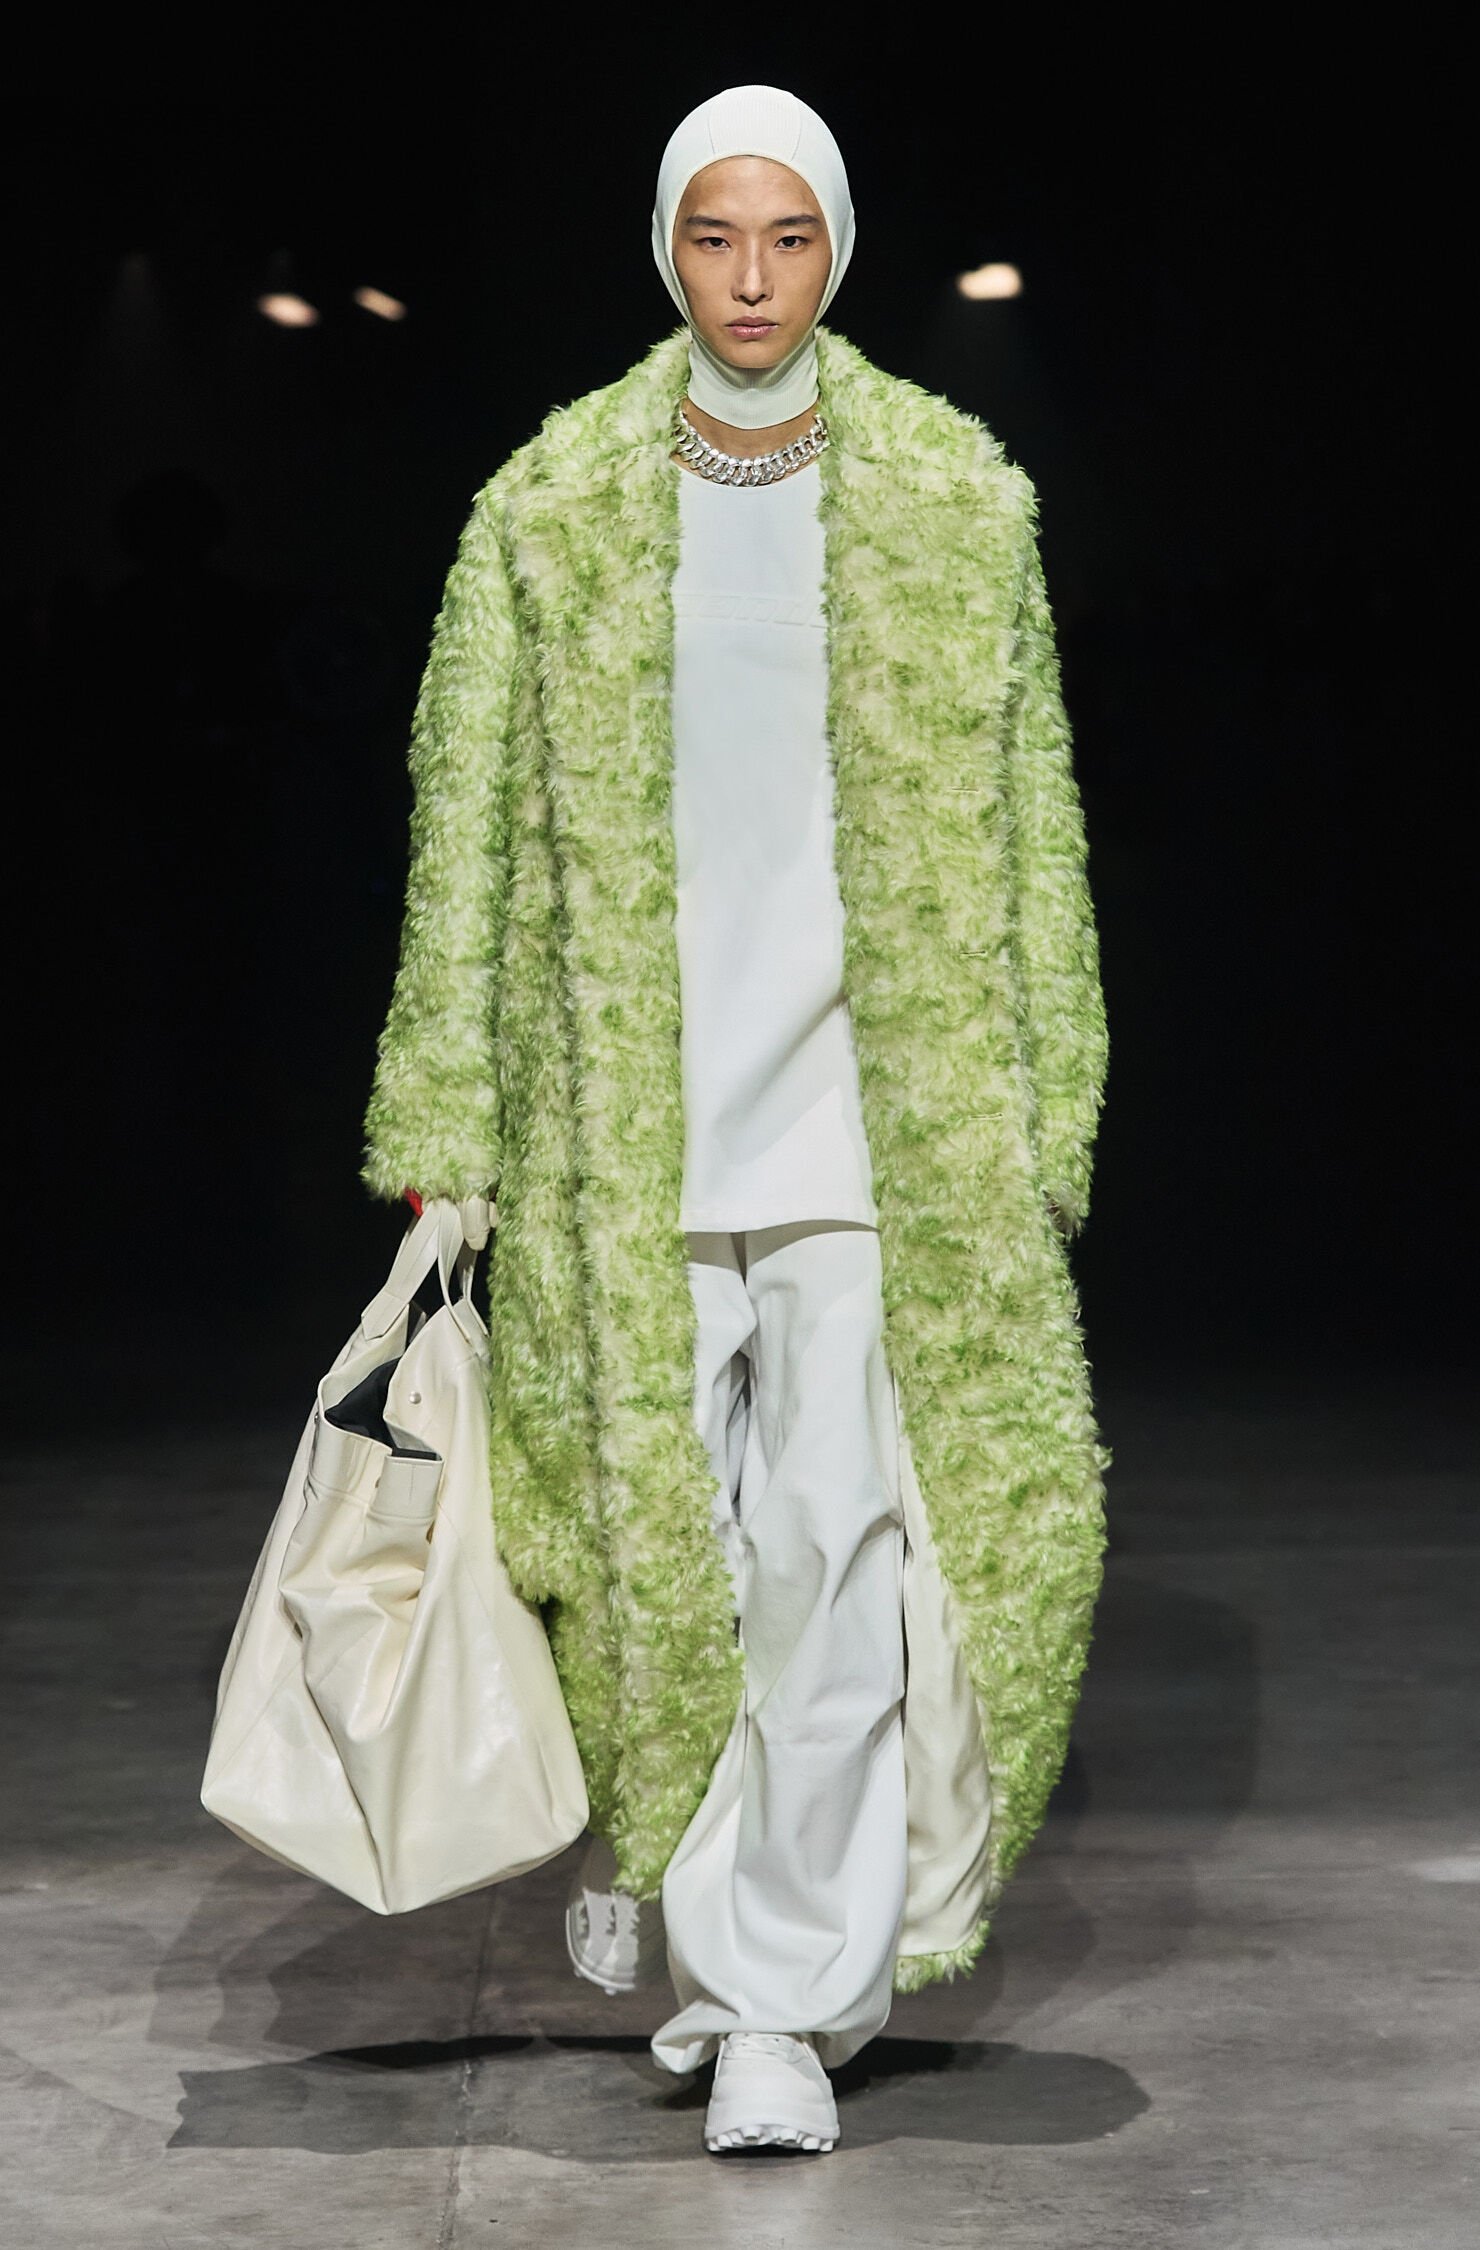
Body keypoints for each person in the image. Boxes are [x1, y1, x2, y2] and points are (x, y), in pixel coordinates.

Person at [361, 83, 1110, 2158]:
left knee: (837, 1554)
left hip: (881, 1119)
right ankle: (723, 1951)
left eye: (789, 238)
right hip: (627, 1120)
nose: (754, 280)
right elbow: (463, 825)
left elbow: (1035, 823)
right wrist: (445, 1107)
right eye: (717, 237)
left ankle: (779, 1998)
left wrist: (1044, 1102)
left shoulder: (956, 498)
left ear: (839, 249)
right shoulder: (553, 507)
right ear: (665, 250)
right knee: (651, 1564)